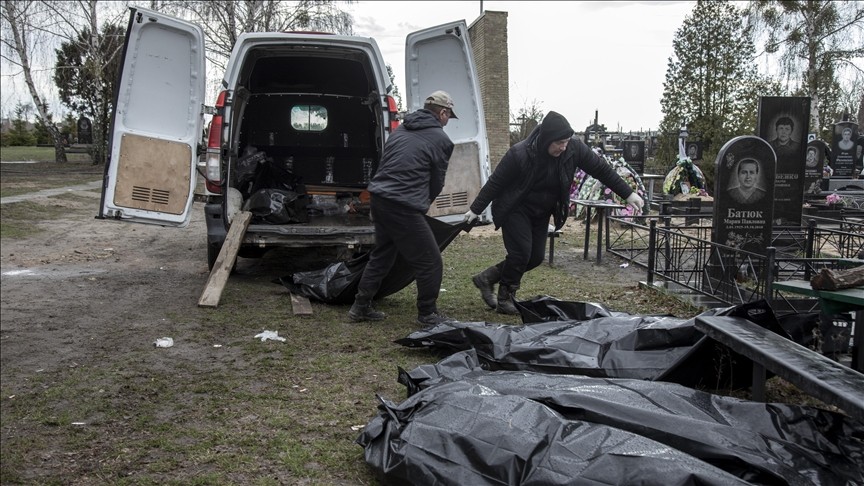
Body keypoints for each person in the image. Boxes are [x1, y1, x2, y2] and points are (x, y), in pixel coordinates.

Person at [462, 111, 644, 314]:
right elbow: (496, 182)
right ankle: (506, 298)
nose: (563, 147)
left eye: (566, 142)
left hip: (542, 211)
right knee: (521, 253)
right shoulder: (519, 154)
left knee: (535, 257)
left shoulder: (574, 149)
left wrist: (628, 193)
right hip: (516, 208)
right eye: (559, 143)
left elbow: (600, 169)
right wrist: (475, 209)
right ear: (547, 139)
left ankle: (487, 278)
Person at [347, 90, 457, 326]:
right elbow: (437, 181)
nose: (448, 120)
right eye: (449, 115)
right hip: (403, 205)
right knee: (430, 261)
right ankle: (427, 313)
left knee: (382, 255)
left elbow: (386, 164)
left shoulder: (401, 131)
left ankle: (360, 307)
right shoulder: (441, 139)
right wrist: (423, 203)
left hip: (380, 198)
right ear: (442, 113)